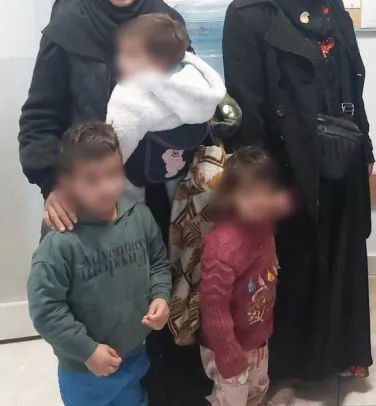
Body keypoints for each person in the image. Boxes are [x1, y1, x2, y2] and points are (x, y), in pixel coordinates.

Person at [17, 1, 212, 404]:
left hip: (165, 196)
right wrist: (51, 182)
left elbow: (191, 93)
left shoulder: (164, 17)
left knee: (166, 298)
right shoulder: (69, 22)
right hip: (94, 200)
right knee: (98, 310)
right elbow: (39, 118)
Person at [222, 0, 374, 395]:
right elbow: (246, 104)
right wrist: (256, 178)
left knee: (341, 253)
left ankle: (341, 354)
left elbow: (351, 84)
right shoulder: (249, 13)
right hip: (286, 164)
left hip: (343, 156)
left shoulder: (332, 8)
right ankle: (288, 368)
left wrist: (365, 147)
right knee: (290, 265)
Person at [27, 123, 171, 406]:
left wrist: (161, 296)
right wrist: (87, 350)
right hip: (84, 370)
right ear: (68, 183)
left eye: (113, 174)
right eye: (91, 179)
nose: (106, 187)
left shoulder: (140, 217)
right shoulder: (60, 242)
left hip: (134, 355)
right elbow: (46, 310)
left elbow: (158, 263)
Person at [199, 147, 292, 406]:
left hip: (257, 337)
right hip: (228, 347)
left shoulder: (264, 229)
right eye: (249, 193)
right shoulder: (222, 247)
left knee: (257, 390)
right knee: (231, 400)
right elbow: (213, 310)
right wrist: (228, 352)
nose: (259, 201)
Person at [108, 13, 225, 203]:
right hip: (183, 170)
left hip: (140, 178)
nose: (120, 60)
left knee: (131, 206)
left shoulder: (131, 94)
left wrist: (110, 169)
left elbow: (120, 139)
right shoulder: (196, 79)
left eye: (130, 54)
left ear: (157, 61)